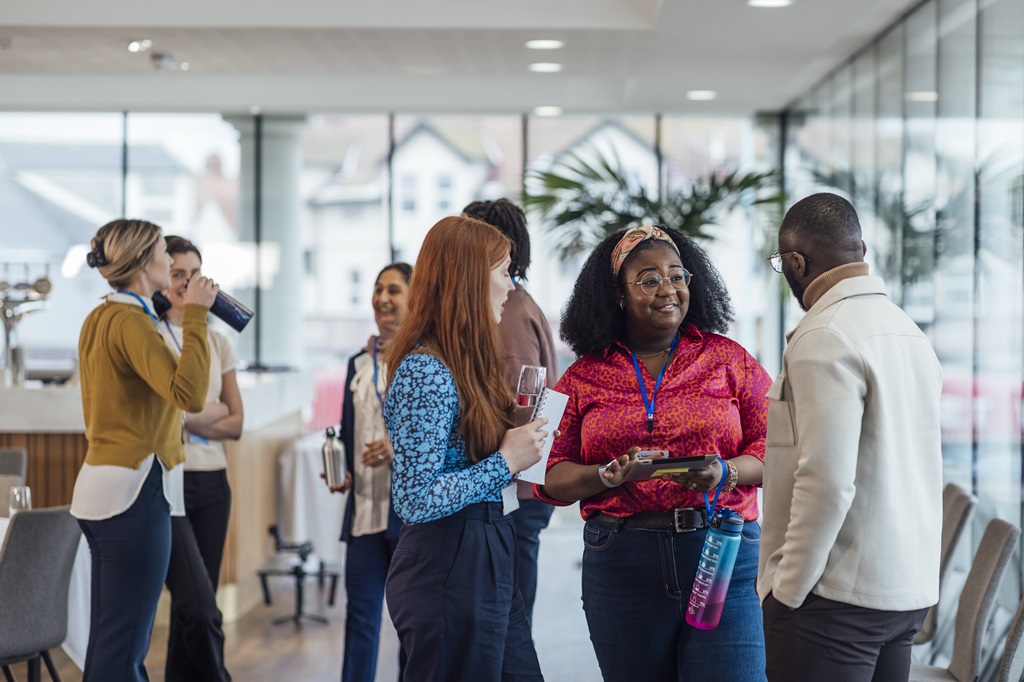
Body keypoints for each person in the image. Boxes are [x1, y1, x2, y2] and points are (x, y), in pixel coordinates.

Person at [535, 225, 772, 682]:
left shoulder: (729, 359)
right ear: (618, 295)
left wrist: (725, 472)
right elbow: (547, 473)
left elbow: (778, 446)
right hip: (622, 559)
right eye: (648, 279)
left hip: (721, 548)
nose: (668, 289)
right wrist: (607, 476)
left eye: (677, 276)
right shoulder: (582, 377)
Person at [757, 193, 943, 681]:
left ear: (797, 263)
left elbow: (825, 480)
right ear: (860, 249)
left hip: (833, 598)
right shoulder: (907, 331)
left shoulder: (825, 335)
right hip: (903, 591)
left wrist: (786, 588)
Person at [383, 215, 549, 681]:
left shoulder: (463, 365)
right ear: (470, 281)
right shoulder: (426, 371)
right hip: (447, 562)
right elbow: (415, 499)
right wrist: (504, 462)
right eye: (504, 273)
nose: (511, 288)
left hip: (484, 549)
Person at [71, 219, 217, 682]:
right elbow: (190, 394)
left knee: (110, 642)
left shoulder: (101, 316)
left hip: (100, 489)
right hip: (133, 493)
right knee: (126, 647)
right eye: (160, 251)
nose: (169, 261)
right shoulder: (133, 323)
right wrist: (195, 315)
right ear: (139, 263)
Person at [462, 198, 558, 627]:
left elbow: (519, 407)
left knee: (506, 624)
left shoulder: (507, 312)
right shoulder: (514, 304)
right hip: (512, 483)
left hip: (513, 488)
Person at [158, 236, 243, 682]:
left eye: (193, 275)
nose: (186, 284)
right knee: (199, 607)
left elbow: (235, 424)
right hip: (170, 484)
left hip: (213, 484)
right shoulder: (153, 335)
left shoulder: (216, 340)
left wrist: (187, 416)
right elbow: (164, 413)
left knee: (196, 605)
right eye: (176, 274)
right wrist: (203, 414)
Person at [331, 262, 412, 682]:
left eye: (394, 290)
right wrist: (342, 468)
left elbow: (442, 432)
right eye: (378, 288)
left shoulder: (424, 362)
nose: (383, 298)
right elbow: (349, 429)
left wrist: (397, 448)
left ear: (414, 298)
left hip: (408, 510)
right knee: (359, 617)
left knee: (409, 625)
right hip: (363, 506)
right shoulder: (357, 363)